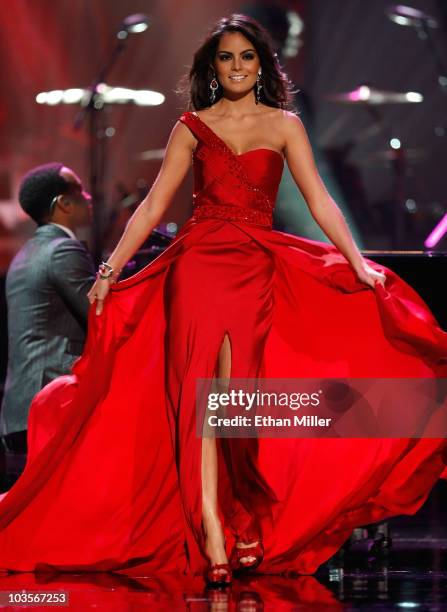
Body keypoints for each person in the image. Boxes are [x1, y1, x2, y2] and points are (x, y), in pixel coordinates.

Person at [0, 15, 446, 587]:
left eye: (247, 58)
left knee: (234, 406)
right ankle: (213, 526)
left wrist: (358, 264)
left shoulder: (285, 125)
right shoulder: (191, 126)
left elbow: (320, 201)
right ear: (213, 67)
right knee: (199, 403)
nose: (237, 67)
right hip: (198, 269)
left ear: (262, 65)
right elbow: (154, 206)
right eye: (227, 58)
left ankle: (243, 511)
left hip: (254, 269)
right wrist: (110, 268)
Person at [0, 163, 95, 487]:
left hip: (19, 410)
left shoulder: (26, 255)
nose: (88, 197)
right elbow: (103, 315)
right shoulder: (62, 250)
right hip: (50, 404)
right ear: (63, 204)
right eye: (79, 190)